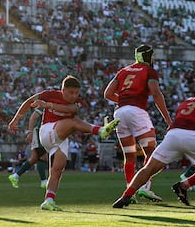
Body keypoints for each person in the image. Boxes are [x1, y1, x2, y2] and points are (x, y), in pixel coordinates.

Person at [112, 79, 195, 210]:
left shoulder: (187, 102)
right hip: (194, 135)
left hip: (173, 135)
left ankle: (126, 195)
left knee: (149, 168)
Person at [9, 75, 120, 211]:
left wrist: (48, 105)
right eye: (71, 92)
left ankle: (48, 200)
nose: (74, 96)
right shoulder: (49, 94)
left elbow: (71, 110)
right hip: (47, 131)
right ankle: (101, 131)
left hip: (60, 138)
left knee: (57, 170)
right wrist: (16, 119)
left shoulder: (74, 103)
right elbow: (28, 102)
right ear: (63, 90)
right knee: (74, 122)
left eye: (77, 93)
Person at [104, 44, 172, 202]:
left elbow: (107, 93)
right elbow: (155, 93)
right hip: (136, 112)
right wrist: (168, 119)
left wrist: (123, 101)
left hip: (119, 113)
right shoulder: (149, 70)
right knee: (152, 153)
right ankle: (145, 187)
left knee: (129, 155)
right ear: (148, 56)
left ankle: (130, 190)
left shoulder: (123, 71)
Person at [8, 107, 49, 188]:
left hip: (43, 132)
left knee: (34, 159)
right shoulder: (45, 106)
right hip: (39, 132)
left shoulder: (54, 105)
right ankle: (44, 181)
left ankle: (15, 176)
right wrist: (30, 132)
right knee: (43, 157)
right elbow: (33, 117)